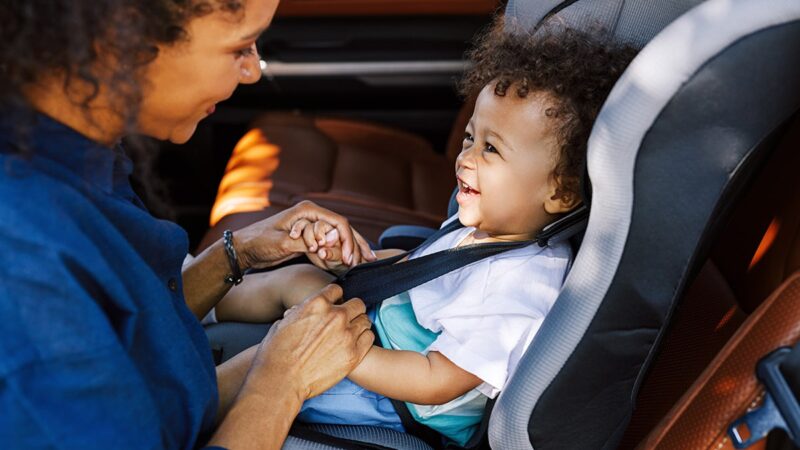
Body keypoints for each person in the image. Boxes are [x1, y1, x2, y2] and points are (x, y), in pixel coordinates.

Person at [208, 22, 638, 445]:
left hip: (397, 397)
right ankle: (192, 310)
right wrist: (361, 261)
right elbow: (429, 264)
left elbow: (438, 381)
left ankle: (185, 409)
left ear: (560, 191)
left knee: (265, 363)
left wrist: (344, 355)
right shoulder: (494, 222)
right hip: (385, 334)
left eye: (491, 149)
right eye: (470, 138)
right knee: (296, 279)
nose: (466, 157)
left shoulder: (522, 287)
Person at [0, 0, 380, 448]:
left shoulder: (73, 148)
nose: (254, 71)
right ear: (122, 39)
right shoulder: (24, 270)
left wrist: (235, 255)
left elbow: (138, 335)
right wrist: (281, 382)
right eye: (239, 48)